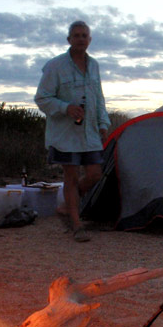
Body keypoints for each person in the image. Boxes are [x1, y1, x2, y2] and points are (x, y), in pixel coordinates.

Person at [35, 20, 110, 242]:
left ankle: (68, 205)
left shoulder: (94, 66)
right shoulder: (55, 66)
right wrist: (65, 108)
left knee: (95, 174)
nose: (80, 39)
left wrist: (103, 123)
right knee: (71, 175)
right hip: (66, 133)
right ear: (69, 39)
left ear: (90, 39)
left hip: (90, 132)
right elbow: (42, 98)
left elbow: (99, 97)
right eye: (76, 35)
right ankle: (77, 225)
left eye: (84, 35)